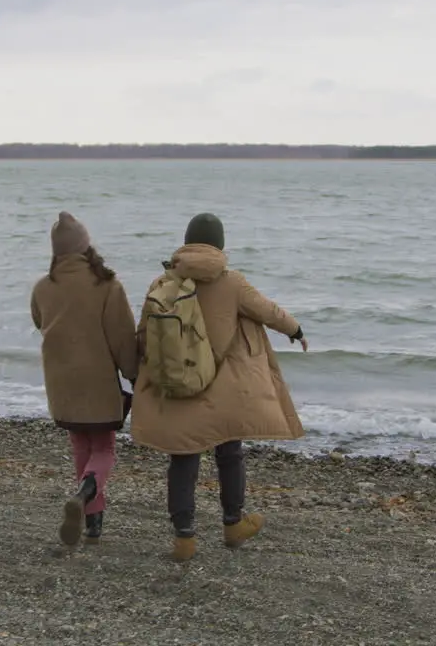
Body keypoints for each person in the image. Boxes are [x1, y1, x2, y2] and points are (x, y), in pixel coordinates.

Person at [131, 213, 308, 562]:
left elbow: (144, 334)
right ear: (220, 245)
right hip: (223, 389)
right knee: (229, 454)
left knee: (182, 460)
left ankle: (184, 539)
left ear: (186, 242)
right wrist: (296, 330)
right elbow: (268, 312)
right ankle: (232, 524)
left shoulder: (163, 282)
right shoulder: (233, 283)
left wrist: (137, 372)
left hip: (180, 386)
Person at [30, 212, 139, 547]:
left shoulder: (42, 288)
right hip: (97, 381)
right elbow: (122, 338)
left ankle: (92, 521)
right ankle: (87, 489)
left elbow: (39, 322)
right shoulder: (107, 286)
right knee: (104, 447)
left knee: (81, 445)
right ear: (85, 246)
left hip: (61, 381)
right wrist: (134, 375)